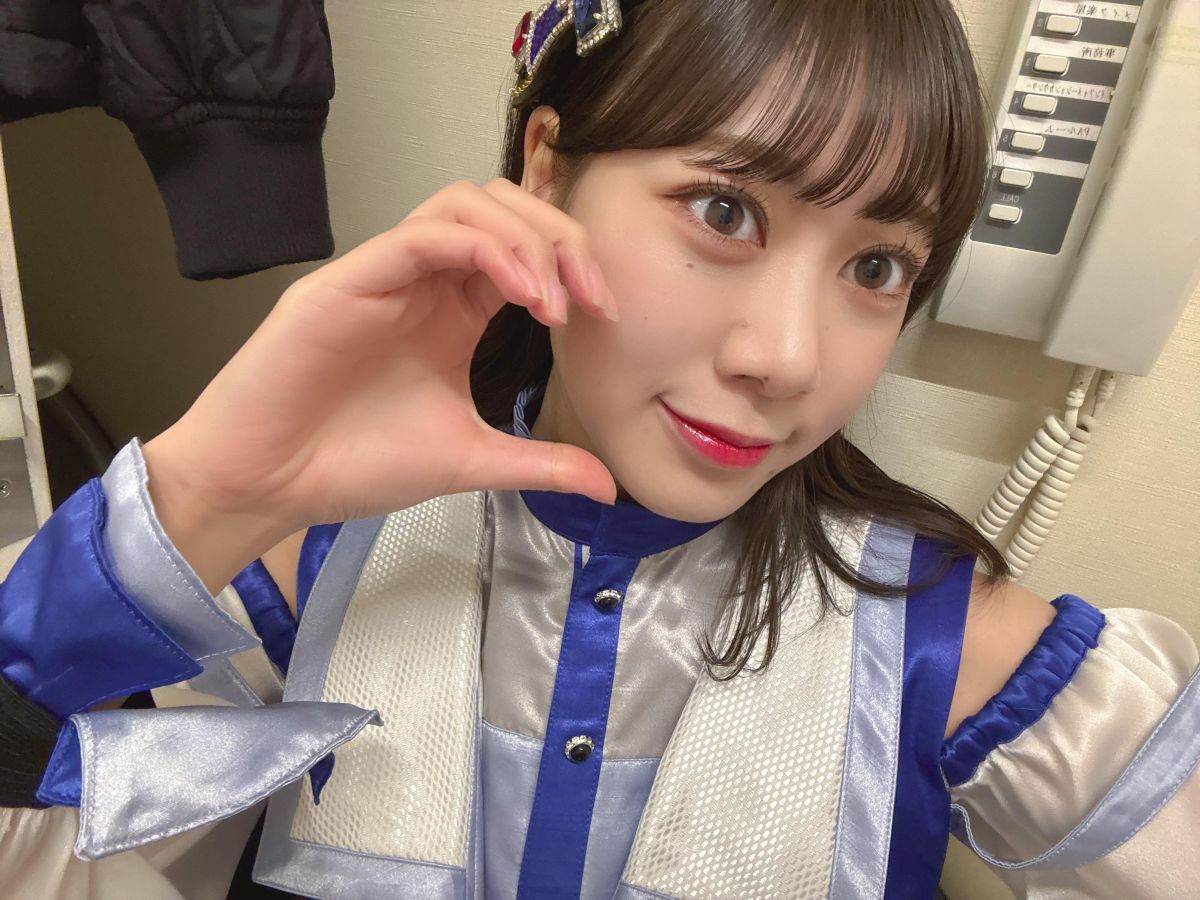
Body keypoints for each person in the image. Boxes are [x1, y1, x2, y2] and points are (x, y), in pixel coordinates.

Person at [0, 1, 1196, 898]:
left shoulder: (952, 646)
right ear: (548, 169)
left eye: (875, 267)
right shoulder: (311, 569)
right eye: (725, 210)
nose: (787, 357)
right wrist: (205, 496)